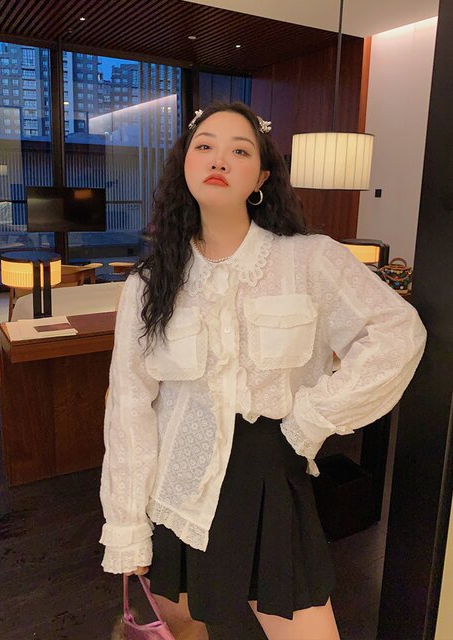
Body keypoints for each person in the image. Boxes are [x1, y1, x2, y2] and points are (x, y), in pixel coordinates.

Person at [100, 102, 427, 639]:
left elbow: (398, 332)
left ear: (261, 178)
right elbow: (130, 405)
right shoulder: (149, 282)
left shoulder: (309, 260)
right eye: (205, 146)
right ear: (185, 165)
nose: (219, 159)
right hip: (176, 486)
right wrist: (127, 522)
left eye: (240, 150)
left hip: (269, 475)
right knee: (183, 628)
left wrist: (311, 418)